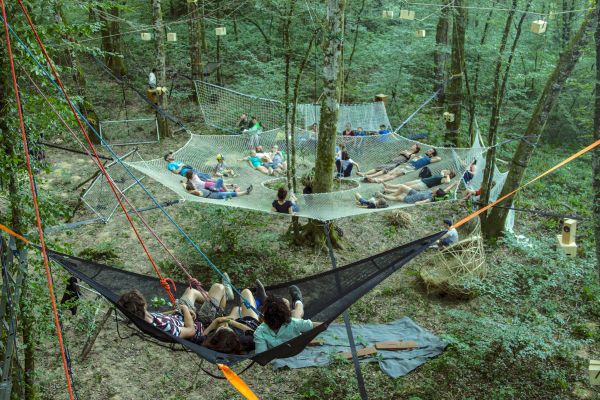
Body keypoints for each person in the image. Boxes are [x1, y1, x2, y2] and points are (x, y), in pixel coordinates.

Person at [116, 279, 234, 343]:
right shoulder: (163, 326)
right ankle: (223, 298)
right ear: (143, 305)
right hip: (199, 324)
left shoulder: (144, 317)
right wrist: (185, 310)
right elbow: (191, 331)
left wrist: (174, 311)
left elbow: (161, 316)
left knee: (191, 290)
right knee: (219, 287)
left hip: (181, 315)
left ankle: (221, 297)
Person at [202, 280, 268, 354]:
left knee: (237, 309)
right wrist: (230, 322)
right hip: (250, 322)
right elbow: (253, 332)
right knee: (246, 292)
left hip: (237, 323)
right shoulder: (243, 340)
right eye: (226, 328)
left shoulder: (214, 342)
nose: (225, 326)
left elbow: (203, 336)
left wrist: (216, 321)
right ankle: (260, 301)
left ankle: (228, 293)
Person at [254, 286, 319, 353]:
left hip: (279, 355)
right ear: (287, 315)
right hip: (296, 348)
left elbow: (262, 355)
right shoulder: (293, 323)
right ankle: (298, 301)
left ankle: (266, 301)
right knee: (295, 313)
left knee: (292, 311)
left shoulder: (259, 332)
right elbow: (321, 325)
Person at [366, 148, 441, 183]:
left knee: (395, 175)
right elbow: (412, 159)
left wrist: (432, 156)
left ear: (432, 154)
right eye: (429, 149)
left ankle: (376, 180)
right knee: (390, 172)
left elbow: (439, 158)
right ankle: (375, 179)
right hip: (407, 164)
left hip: (411, 167)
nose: (428, 150)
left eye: (430, 151)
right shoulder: (421, 155)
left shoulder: (429, 159)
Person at [377, 181, 458, 204]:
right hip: (414, 193)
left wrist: (418, 202)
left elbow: (421, 202)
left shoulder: (430, 198)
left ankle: (383, 195)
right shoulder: (437, 193)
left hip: (412, 198)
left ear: (436, 193)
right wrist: (454, 184)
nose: (435, 188)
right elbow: (446, 190)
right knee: (402, 186)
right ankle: (388, 187)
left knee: (397, 197)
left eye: (436, 189)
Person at [183, 173, 253, 199]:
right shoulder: (198, 192)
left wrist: (183, 183)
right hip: (216, 195)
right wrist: (190, 190)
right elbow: (192, 191)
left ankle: (232, 190)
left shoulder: (197, 188)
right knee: (231, 194)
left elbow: (186, 185)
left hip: (214, 190)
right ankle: (246, 192)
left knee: (220, 180)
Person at [387, 169, 456, 191]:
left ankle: (389, 190)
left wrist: (448, 176)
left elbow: (448, 181)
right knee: (406, 184)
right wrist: (446, 173)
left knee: (406, 188)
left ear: (449, 175)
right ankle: (390, 186)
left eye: (448, 171)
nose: (447, 170)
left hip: (424, 185)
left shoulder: (445, 179)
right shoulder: (443, 175)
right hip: (422, 180)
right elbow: (443, 170)